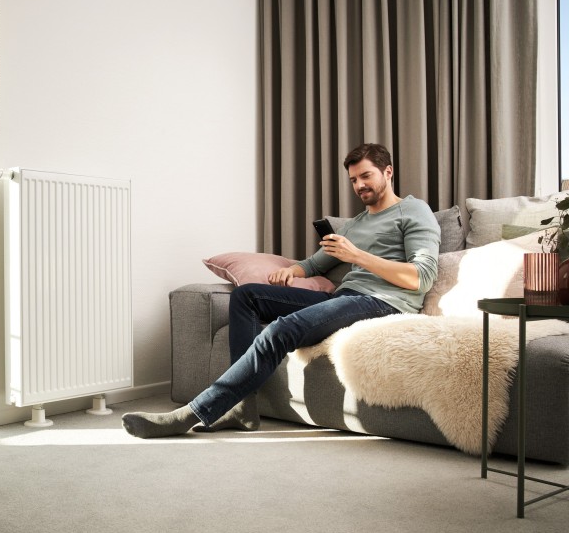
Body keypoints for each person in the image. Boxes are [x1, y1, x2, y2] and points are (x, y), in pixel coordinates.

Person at [122, 143, 441, 439]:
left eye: (366, 176)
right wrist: (292, 271)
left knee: (283, 328)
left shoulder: (413, 212)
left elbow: (421, 278)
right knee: (246, 295)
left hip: (383, 302)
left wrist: (355, 255)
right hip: (344, 297)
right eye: (354, 179)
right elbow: (315, 263)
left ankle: (196, 412)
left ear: (388, 172)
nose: (359, 186)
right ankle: (243, 407)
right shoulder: (355, 224)